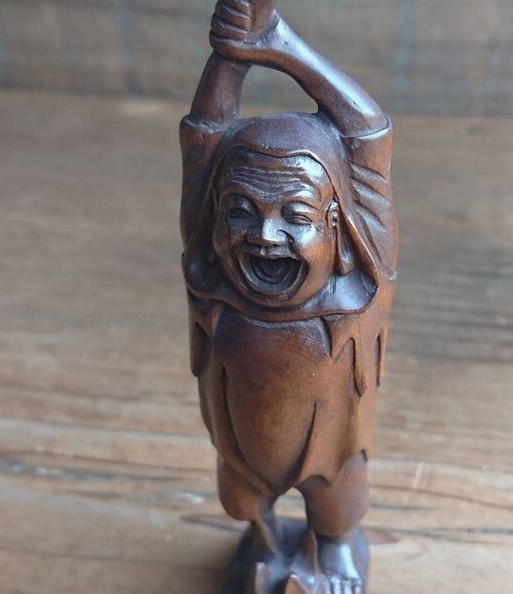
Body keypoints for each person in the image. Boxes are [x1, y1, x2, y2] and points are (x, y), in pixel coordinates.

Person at [180, 1, 398, 591]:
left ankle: (333, 550)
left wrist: (279, 46)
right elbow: (203, 139)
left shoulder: (359, 289)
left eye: (295, 215)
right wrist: (228, 57)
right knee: (242, 496)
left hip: (331, 437)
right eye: (240, 212)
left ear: (338, 226)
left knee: (335, 498)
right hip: (240, 431)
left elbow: (368, 132)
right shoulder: (212, 281)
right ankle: (265, 543)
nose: (265, 235)